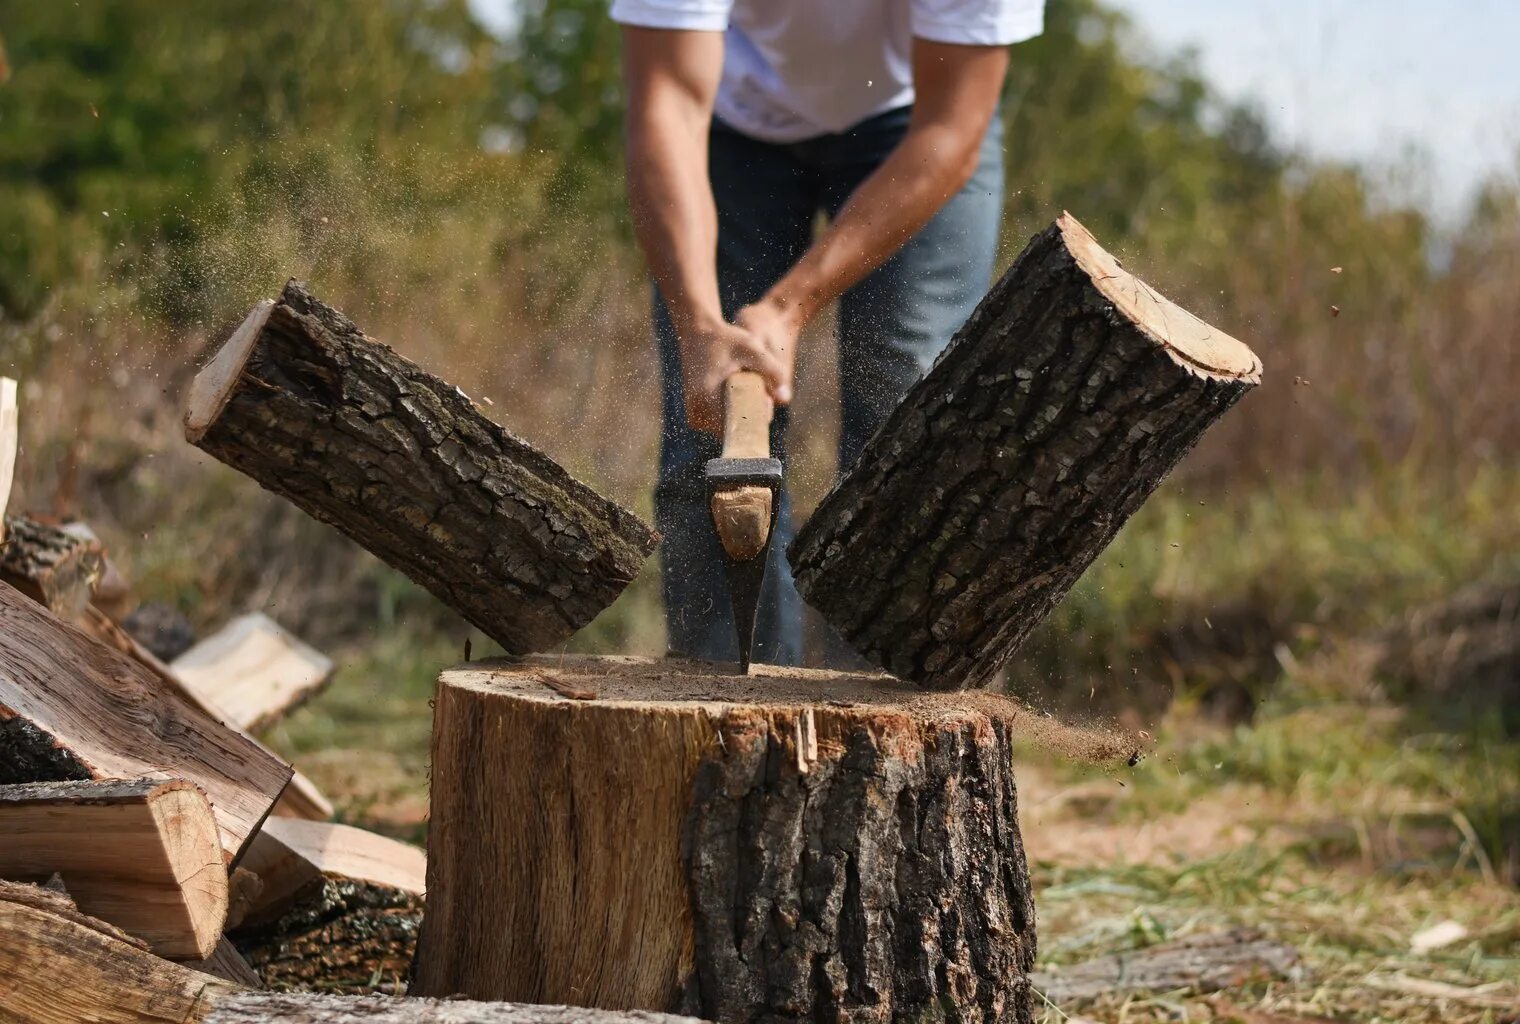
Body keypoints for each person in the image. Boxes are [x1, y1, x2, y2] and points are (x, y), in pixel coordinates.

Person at [615, 0, 1044, 665]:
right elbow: (666, 100)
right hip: (726, 123)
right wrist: (701, 326)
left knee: (906, 405)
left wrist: (788, 308)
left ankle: (885, 723)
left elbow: (951, 125)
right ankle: (726, 714)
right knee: (707, 431)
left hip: (916, 120)